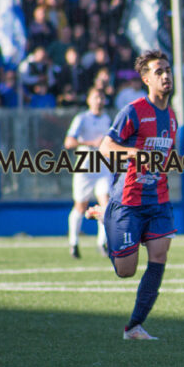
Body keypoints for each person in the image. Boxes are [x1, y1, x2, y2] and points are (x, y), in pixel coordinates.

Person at [97, 50, 177, 340]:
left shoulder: (171, 116)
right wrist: (134, 152)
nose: (166, 76)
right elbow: (106, 148)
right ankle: (106, 218)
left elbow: (165, 158)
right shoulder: (133, 110)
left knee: (159, 255)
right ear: (146, 79)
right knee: (125, 271)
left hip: (158, 199)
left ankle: (134, 327)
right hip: (129, 200)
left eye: (168, 70)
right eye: (159, 72)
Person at [64, 88, 112, 259]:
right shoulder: (82, 119)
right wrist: (92, 142)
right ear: (89, 100)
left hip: (103, 168)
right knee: (80, 207)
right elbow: (69, 142)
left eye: (101, 97)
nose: (99, 101)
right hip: (84, 168)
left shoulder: (107, 119)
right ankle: (74, 243)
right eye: (96, 97)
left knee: (106, 204)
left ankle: (102, 243)